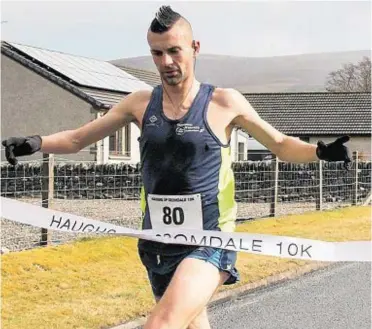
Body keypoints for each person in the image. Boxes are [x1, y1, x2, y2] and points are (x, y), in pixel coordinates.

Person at [2, 6, 352, 329]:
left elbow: (278, 145)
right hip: (157, 241)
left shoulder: (224, 102)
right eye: (157, 53)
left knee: (161, 324)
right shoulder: (140, 103)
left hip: (211, 239)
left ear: (194, 47)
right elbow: (78, 139)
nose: (166, 61)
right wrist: (36, 142)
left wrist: (318, 152)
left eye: (174, 50)